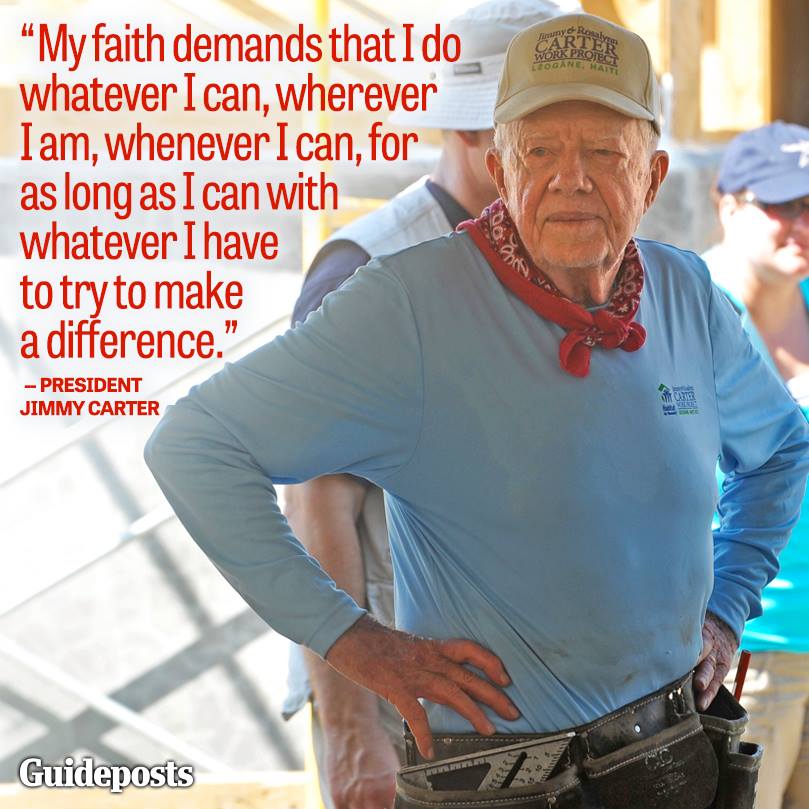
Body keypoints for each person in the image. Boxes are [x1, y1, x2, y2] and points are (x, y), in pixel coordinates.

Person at [144, 12, 809, 808]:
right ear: (499, 166)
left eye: (605, 152)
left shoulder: (683, 292)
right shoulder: (409, 302)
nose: (570, 179)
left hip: (668, 759)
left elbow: (780, 451)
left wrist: (726, 608)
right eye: (539, 151)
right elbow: (194, 445)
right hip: (500, 780)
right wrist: (354, 643)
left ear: (652, 176)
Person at [280, 2, 578, 807]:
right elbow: (316, 504)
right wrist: (351, 726)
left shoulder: (555, 255)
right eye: (545, 131)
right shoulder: (371, 268)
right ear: (476, 130)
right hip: (409, 700)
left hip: (536, 687)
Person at [702, 121, 809, 809]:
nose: (803, 223)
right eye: (783, 204)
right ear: (728, 204)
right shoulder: (687, 305)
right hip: (746, 638)